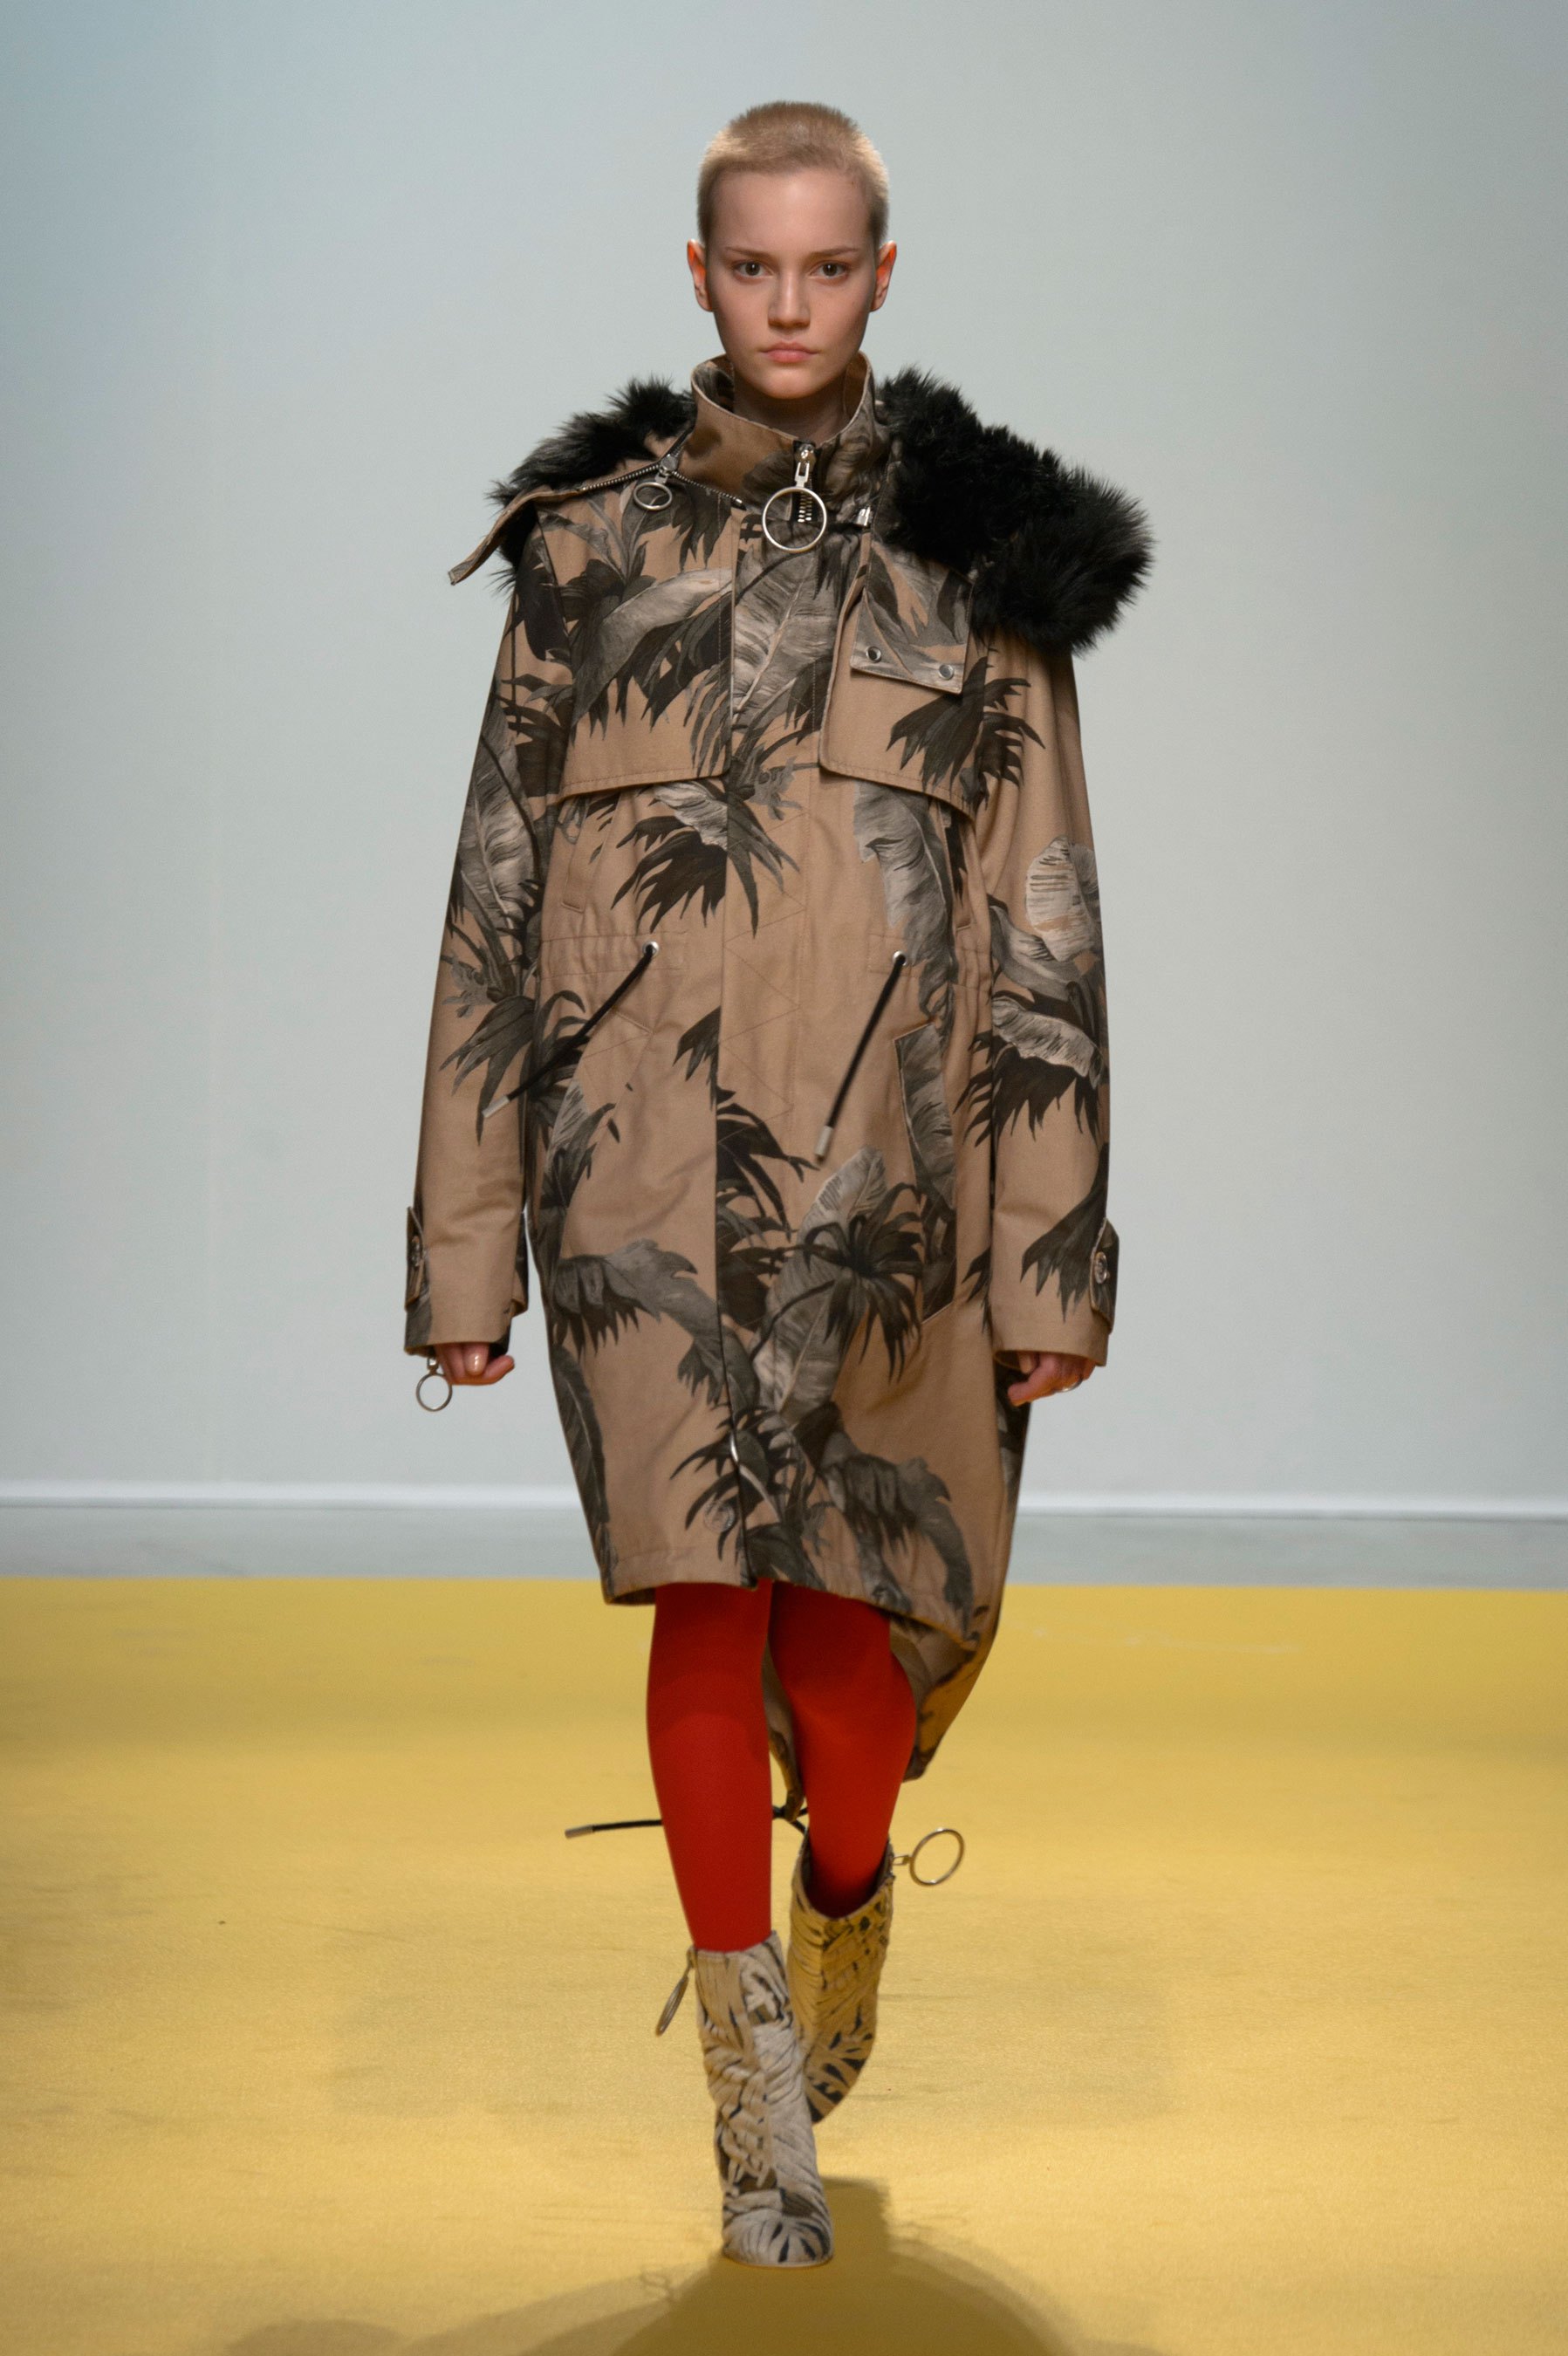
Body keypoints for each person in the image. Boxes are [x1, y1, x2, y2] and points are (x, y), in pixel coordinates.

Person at [402, 99, 1152, 2269]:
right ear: (700, 272)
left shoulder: (980, 562)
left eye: (829, 268)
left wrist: (1049, 1265)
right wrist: (464, 1248)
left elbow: (1042, 918)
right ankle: (753, 2122)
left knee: (844, 1650)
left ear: (881, 276)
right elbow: (490, 904)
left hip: (902, 1212)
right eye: (754, 266)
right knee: (694, 1608)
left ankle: (845, 1887)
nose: (790, 304)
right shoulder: (583, 553)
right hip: (632, 1190)